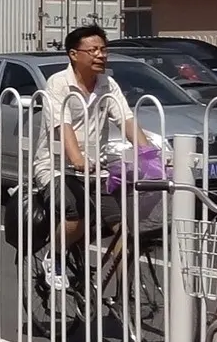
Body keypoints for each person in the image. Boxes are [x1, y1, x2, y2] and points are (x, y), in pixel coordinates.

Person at [35, 23, 152, 254]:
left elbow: (126, 119)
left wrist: (148, 153)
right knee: (75, 215)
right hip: (59, 169)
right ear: (73, 55)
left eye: (104, 49)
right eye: (93, 50)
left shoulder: (107, 84)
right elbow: (62, 126)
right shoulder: (58, 84)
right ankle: (55, 255)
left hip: (97, 171)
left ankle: (122, 291)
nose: (101, 55)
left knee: (124, 230)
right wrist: (78, 160)